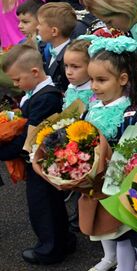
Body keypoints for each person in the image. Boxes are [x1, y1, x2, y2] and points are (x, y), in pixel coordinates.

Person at [0, 45, 75, 265]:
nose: (15, 85)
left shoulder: (45, 98)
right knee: (52, 204)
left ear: (34, 72)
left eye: (17, 80)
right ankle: (64, 240)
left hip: (42, 158)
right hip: (42, 157)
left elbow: (28, 138)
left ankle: (50, 249)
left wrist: (3, 151)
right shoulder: (37, 92)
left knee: (43, 206)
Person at [84, 36, 137, 271]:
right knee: (114, 230)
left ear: (123, 79)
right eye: (91, 80)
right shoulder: (92, 109)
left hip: (127, 183)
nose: (94, 86)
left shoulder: (132, 114)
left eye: (101, 80)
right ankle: (116, 262)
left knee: (134, 232)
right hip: (103, 182)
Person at [36, 2, 76, 92]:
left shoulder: (70, 57)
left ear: (54, 31)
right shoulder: (45, 49)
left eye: (40, 24)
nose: (37, 27)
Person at [62, 37, 94, 110]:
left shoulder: (94, 93)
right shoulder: (71, 87)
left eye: (75, 67)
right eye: (66, 66)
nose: (68, 72)